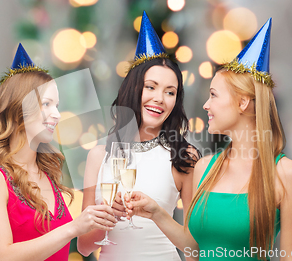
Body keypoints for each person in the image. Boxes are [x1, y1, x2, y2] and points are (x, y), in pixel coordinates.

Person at [125, 18, 292, 260]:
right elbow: (194, 248)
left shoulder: (285, 173)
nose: (206, 105)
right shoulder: (204, 167)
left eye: (214, 95)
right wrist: (157, 213)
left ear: (242, 103)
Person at [0, 44, 117, 261]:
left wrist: (107, 216)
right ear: (18, 107)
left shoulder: (47, 172)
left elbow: (78, 242)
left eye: (57, 105)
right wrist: (73, 228)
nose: (57, 114)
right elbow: (3, 256)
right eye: (47, 104)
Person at [77, 11, 200, 261]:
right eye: (151, 87)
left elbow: (195, 250)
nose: (159, 99)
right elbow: (84, 246)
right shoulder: (98, 156)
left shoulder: (184, 157)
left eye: (170, 92)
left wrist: (157, 213)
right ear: (134, 89)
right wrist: (108, 215)